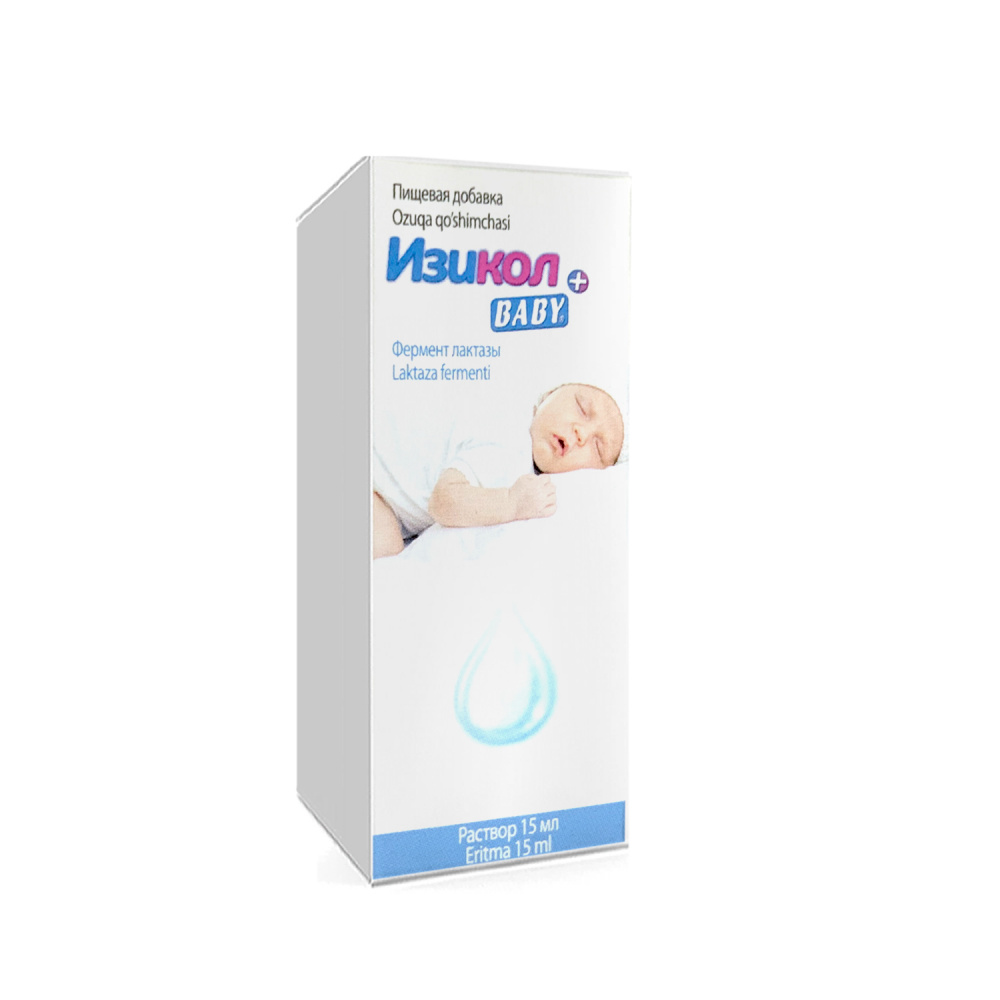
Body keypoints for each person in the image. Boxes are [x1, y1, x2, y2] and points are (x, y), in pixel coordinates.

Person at [372, 383, 624, 558]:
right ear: (547, 396)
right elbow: (444, 501)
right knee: (387, 546)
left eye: (597, 446)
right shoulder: (511, 442)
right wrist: (512, 502)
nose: (582, 433)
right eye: (582, 408)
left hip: (382, 490)